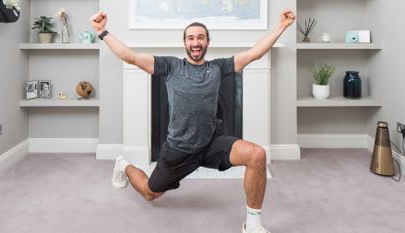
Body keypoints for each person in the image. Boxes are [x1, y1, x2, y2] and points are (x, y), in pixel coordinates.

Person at [90, 9, 295, 233]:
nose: (195, 42)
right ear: (185, 43)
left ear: (208, 41)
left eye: (200, 37)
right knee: (150, 193)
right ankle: (123, 165)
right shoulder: (170, 66)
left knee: (257, 154)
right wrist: (102, 32)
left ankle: (253, 225)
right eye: (191, 38)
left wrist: (282, 26)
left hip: (210, 144)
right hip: (179, 150)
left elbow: (255, 53)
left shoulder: (218, 67)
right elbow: (130, 56)